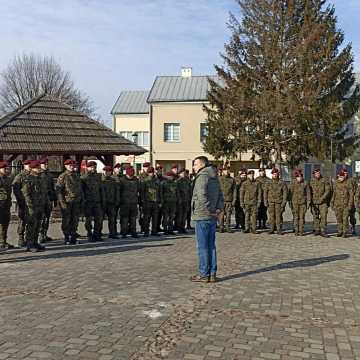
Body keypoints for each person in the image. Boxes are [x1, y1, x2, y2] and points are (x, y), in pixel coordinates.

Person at [190, 156, 223, 283]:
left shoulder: (202, 176)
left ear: (202, 164)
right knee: (211, 245)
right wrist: (218, 209)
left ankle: (204, 273)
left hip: (203, 214)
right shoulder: (214, 175)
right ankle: (212, 273)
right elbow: (220, 194)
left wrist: (208, 209)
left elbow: (201, 194)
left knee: (203, 246)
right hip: (212, 215)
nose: (194, 167)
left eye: (195, 164)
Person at [56, 159, 83, 245]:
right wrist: (62, 202)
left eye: (73, 165)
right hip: (67, 202)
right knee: (66, 220)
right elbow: (59, 191)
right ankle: (66, 237)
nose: (72, 167)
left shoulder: (76, 176)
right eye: (70, 165)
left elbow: (80, 189)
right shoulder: (63, 176)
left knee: (75, 220)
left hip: (76, 202)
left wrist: (82, 199)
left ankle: (73, 236)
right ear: (66, 166)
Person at [22, 160, 45, 252]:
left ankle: (35, 242)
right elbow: (26, 193)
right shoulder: (28, 179)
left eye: (39, 167)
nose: (39, 169)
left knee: (38, 224)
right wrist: (29, 206)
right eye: (37, 167)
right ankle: (29, 244)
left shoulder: (40, 179)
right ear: (32, 169)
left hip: (40, 205)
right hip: (32, 206)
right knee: (31, 225)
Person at [81, 161, 104, 242]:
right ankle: (89, 234)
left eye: (94, 167)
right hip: (88, 202)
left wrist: (102, 200)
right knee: (88, 220)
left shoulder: (98, 177)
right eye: (91, 167)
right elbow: (82, 191)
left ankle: (97, 234)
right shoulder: (84, 178)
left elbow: (101, 190)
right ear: (87, 168)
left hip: (97, 201)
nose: (93, 168)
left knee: (99, 219)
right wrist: (83, 201)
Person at [12, 159, 31, 246]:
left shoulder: (32, 176)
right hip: (23, 202)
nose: (30, 166)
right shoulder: (20, 176)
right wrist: (20, 200)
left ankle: (29, 238)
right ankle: (21, 238)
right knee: (22, 220)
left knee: (30, 220)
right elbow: (16, 189)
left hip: (31, 203)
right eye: (28, 165)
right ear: (24, 165)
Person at [264, 168, 288, 235]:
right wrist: (265, 202)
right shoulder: (268, 182)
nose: (275, 175)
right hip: (270, 202)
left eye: (276, 174)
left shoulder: (282, 183)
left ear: (278, 174)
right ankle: (271, 229)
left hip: (279, 202)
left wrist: (283, 203)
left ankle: (279, 229)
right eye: (273, 174)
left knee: (278, 216)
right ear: (272, 174)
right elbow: (265, 193)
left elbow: (285, 194)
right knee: (271, 216)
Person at [331, 169, 354, 238]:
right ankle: (340, 231)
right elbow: (334, 194)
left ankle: (344, 232)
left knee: (345, 219)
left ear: (344, 177)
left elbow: (351, 195)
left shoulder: (348, 183)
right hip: (337, 204)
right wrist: (332, 203)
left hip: (345, 205)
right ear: (338, 177)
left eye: (342, 177)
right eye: (340, 177)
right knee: (339, 219)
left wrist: (350, 204)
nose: (341, 178)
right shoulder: (336, 183)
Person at [308, 168, 331, 237]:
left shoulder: (324, 180)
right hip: (314, 202)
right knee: (315, 216)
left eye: (318, 173)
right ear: (314, 174)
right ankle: (317, 229)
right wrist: (310, 200)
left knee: (324, 216)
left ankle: (323, 230)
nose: (317, 174)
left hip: (323, 202)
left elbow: (327, 191)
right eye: (316, 173)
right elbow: (309, 192)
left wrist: (322, 198)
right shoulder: (311, 181)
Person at [39, 158, 57, 243]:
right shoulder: (38, 174)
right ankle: (40, 235)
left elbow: (52, 188)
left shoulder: (49, 175)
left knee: (47, 218)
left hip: (48, 200)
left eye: (46, 164)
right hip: (40, 200)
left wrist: (54, 199)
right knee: (41, 218)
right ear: (40, 165)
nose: (46, 165)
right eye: (44, 164)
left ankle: (44, 234)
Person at [141, 166, 162, 236]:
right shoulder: (145, 181)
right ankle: (146, 231)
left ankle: (154, 231)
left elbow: (160, 191)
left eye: (152, 172)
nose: (151, 174)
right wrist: (143, 201)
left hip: (156, 202)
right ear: (148, 173)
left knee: (155, 218)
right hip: (147, 202)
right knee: (147, 218)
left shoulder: (157, 181)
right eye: (150, 172)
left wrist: (160, 201)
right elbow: (142, 192)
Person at [289, 170, 310, 236]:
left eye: (300, 177)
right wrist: (290, 202)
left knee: (302, 217)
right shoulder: (293, 183)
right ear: (296, 177)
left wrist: (308, 202)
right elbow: (290, 193)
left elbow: (308, 193)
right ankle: (296, 230)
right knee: (296, 217)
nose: (299, 178)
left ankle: (301, 230)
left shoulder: (305, 183)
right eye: (298, 177)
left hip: (303, 203)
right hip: (295, 202)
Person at [120, 166, 139, 238]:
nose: (131, 177)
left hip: (134, 203)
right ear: (127, 174)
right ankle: (124, 233)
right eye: (129, 175)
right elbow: (119, 191)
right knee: (125, 219)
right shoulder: (122, 180)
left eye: (132, 175)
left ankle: (133, 232)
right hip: (125, 203)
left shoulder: (136, 180)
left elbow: (139, 190)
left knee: (133, 219)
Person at [240, 170, 262, 234]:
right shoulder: (244, 183)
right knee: (247, 216)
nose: (251, 176)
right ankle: (247, 228)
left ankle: (254, 228)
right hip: (246, 202)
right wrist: (242, 203)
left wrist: (259, 202)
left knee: (254, 216)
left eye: (252, 174)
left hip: (254, 202)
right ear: (248, 175)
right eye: (250, 175)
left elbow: (259, 193)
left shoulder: (257, 183)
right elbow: (241, 194)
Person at [102, 165, 119, 239]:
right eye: (106, 171)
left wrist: (117, 201)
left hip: (111, 203)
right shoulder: (100, 180)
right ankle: (98, 233)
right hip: (102, 203)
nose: (107, 172)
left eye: (108, 171)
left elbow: (116, 192)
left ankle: (113, 233)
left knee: (112, 219)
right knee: (99, 220)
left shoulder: (113, 181)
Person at [218, 166, 236, 233]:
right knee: (221, 215)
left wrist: (234, 200)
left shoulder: (232, 180)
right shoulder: (219, 179)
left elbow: (234, 191)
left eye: (228, 170)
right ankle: (221, 227)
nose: (227, 172)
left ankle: (228, 227)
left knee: (228, 215)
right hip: (221, 200)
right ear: (223, 171)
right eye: (225, 170)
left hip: (229, 200)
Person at [0, 161, 14, 249]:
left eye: (7, 168)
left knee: (5, 224)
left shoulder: (8, 179)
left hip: (6, 205)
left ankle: (3, 242)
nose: (6, 170)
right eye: (4, 168)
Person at [176, 168, 192, 233]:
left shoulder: (187, 181)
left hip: (186, 200)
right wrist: (179, 199)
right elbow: (177, 192)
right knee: (180, 215)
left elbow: (189, 190)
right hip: (180, 201)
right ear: (180, 174)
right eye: (182, 173)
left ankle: (183, 227)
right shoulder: (178, 182)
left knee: (185, 215)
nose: (184, 174)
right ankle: (179, 228)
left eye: (184, 173)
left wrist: (190, 198)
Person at [343, 168, 357, 235]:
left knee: (352, 216)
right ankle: (344, 229)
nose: (345, 174)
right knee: (344, 216)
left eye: (346, 173)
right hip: (343, 202)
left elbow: (356, 189)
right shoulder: (340, 180)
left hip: (351, 201)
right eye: (343, 173)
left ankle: (353, 227)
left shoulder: (351, 180)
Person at [112, 163, 123, 235]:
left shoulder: (122, 177)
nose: (119, 169)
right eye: (117, 168)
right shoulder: (112, 178)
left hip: (122, 200)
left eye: (120, 168)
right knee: (114, 217)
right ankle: (113, 231)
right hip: (114, 200)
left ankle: (124, 230)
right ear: (114, 169)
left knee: (123, 216)